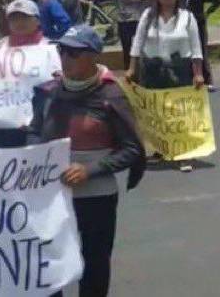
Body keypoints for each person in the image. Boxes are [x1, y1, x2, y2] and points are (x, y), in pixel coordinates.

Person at [32, 25, 145, 297]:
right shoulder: (47, 93)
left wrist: (91, 170)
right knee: (49, 260)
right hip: (52, 196)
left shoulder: (110, 95)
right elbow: (33, 136)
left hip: (96, 195)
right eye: (62, 50)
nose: (66, 57)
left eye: (74, 52)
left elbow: (133, 150)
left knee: (94, 261)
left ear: (93, 55)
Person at [126, 0, 204, 173]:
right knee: (157, 112)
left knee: (180, 113)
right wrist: (131, 68)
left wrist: (198, 73)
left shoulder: (187, 17)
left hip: (179, 68)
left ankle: (184, 154)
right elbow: (137, 42)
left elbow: (196, 47)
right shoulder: (148, 15)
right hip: (153, 68)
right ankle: (162, 149)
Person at [0, 0, 61, 148]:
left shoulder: (49, 48)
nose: (19, 22)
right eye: (14, 18)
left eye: (25, 17)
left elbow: (59, 83)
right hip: (2, 124)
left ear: (37, 21)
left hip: (36, 126)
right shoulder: (0, 47)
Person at [106, 0, 155, 70]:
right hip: (124, 21)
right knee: (127, 47)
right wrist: (118, 4)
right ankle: (128, 70)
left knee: (143, 47)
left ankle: (144, 69)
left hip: (141, 20)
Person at [180, 0, 220, 89]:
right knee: (186, 52)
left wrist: (207, 12)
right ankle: (189, 78)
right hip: (183, 26)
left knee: (201, 52)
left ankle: (207, 80)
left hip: (198, 25)